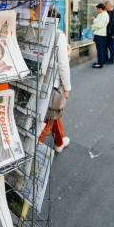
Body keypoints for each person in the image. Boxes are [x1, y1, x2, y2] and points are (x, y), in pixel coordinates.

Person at [39, 9, 71, 153]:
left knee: (52, 113)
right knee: (49, 117)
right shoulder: (59, 36)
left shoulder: (38, 32)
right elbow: (63, 65)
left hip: (38, 81)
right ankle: (34, 146)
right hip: (52, 84)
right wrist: (67, 87)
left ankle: (59, 142)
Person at [91, 3, 109, 68]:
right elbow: (99, 23)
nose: (97, 10)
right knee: (101, 49)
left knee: (100, 50)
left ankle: (100, 63)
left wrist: (92, 26)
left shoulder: (103, 15)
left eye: (98, 9)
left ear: (101, 9)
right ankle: (101, 61)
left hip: (100, 34)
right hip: (101, 34)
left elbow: (99, 25)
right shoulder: (102, 14)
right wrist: (95, 20)